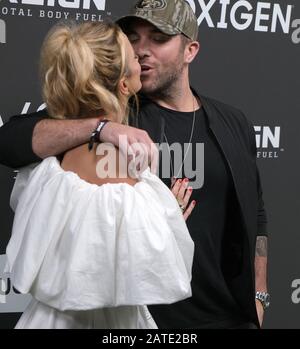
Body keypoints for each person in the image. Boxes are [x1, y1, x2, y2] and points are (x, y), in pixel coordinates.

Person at [0, 0, 269, 329]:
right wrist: (100, 128)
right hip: (146, 321)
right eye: (133, 37)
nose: (142, 50)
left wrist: (260, 293)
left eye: (158, 38)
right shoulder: (109, 110)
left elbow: (255, 212)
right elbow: (11, 140)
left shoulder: (233, 122)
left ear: (190, 50)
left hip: (227, 317)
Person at [3, 21, 195, 329]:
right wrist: (165, 217)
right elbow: (131, 269)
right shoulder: (116, 158)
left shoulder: (53, 156)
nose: (141, 58)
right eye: (133, 56)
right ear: (123, 84)